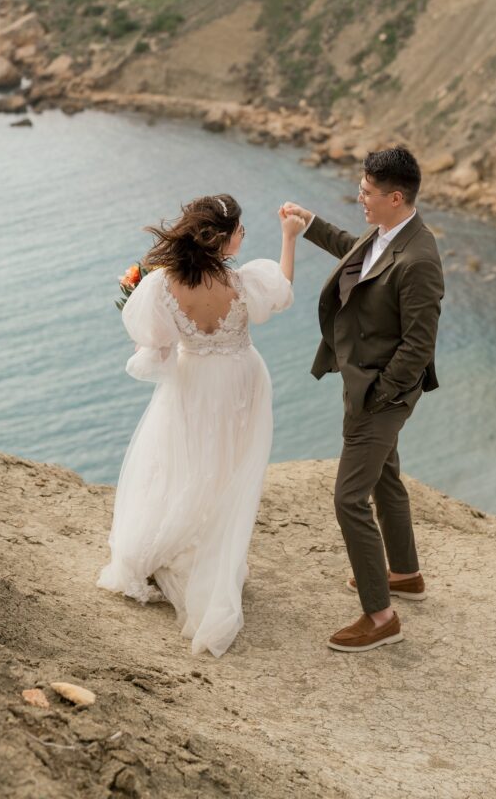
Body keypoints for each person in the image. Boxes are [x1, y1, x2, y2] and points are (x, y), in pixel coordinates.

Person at [97, 193, 305, 657]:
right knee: (228, 471)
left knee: (182, 464)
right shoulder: (244, 281)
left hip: (191, 385)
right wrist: (291, 237)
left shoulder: (160, 286)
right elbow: (284, 291)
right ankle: (214, 551)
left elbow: (155, 345)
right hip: (241, 383)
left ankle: (170, 545)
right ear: (223, 238)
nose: (244, 236)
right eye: (241, 230)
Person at [282, 145, 444, 653]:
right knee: (385, 475)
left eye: (368, 193)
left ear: (396, 197)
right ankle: (406, 574)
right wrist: (311, 225)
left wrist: (378, 395)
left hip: (380, 393)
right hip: (368, 382)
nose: (361, 198)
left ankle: (380, 617)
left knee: (349, 498)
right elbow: (360, 252)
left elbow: (420, 345)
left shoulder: (419, 259)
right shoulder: (391, 233)